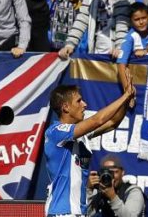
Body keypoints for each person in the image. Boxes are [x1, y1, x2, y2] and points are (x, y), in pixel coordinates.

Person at [45, 81, 135, 216]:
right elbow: (97, 120)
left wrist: (127, 100)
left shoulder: (81, 134)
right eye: (79, 101)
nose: (84, 104)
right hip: (62, 212)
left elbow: (112, 122)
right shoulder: (56, 132)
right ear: (66, 107)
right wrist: (125, 95)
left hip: (79, 211)